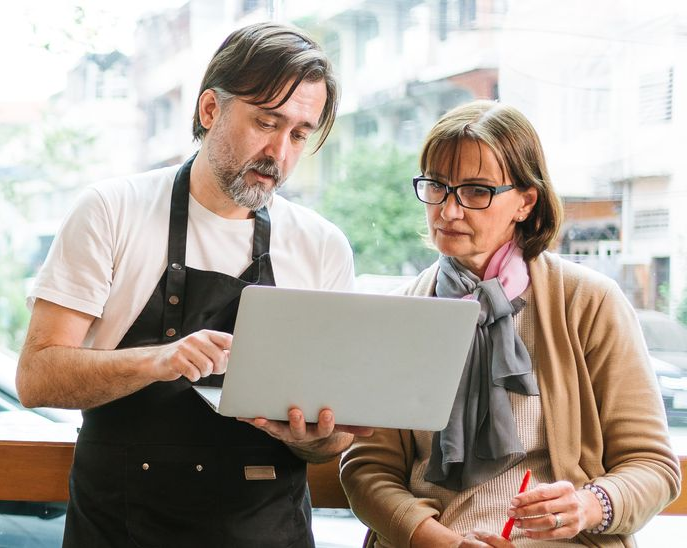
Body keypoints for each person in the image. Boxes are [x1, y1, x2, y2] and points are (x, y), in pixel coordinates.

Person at [16, 22, 370, 548]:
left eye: (298, 134)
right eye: (266, 122)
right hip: (122, 528)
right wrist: (159, 360)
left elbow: (332, 441)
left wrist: (317, 439)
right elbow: (37, 376)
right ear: (210, 110)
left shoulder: (322, 246)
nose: (280, 152)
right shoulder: (112, 211)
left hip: (265, 531)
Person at [340, 100, 681, 547]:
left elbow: (653, 466)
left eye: (476, 191)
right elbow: (368, 469)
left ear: (525, 201)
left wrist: (588, 504)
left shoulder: (588, 302)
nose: (448, 210)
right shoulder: (402, 311)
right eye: (437, 186)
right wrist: (431, 538)